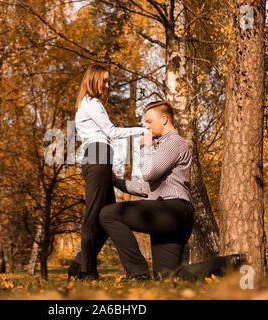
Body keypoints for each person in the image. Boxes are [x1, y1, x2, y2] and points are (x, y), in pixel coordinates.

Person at [100, 100, 245, 280]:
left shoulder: (174, 143)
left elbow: (148, 173)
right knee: (168, 277)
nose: (146, 127)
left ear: (164, 119)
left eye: (149, 122)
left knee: (108, 214)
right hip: (174, 214)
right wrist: (117, 182)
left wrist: (144, 146)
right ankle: (230, 263)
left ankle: (137, 273)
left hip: (173, 210)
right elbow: (149, 188)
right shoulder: (165, 147)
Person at [68, 64, 148, 280]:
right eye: (104, 80)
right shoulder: (91, 103)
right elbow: (111, 132)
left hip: (100, 158)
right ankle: (87, 271)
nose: (107, 85)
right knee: (93, 216)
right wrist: (143, 129)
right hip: (97, 157)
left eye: (108, 80)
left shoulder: (88, 103)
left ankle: (79, 262)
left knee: (108, 217)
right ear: (93, 79)